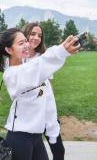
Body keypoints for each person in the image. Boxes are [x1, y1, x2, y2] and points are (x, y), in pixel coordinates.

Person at [0, 28, 80, 160]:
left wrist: (52, 131)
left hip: (37, 136)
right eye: (20, 43)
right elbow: (37, 67)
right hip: (19, 137)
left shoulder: (33, 70)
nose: (26, 45)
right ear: (9, 50)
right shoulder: (11, 74)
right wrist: (61, 51)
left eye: (25, 41)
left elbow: (48, 101)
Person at [22, 22, 65, 160]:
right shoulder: (18, 57)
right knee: (33, 153)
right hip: (29, 115)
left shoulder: (44, 56)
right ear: (25, 34)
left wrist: (52, 111)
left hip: (46, 112)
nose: (36, 38)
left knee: (59, 151)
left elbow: (48, 86)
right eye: (33, 34)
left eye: (39, 35)